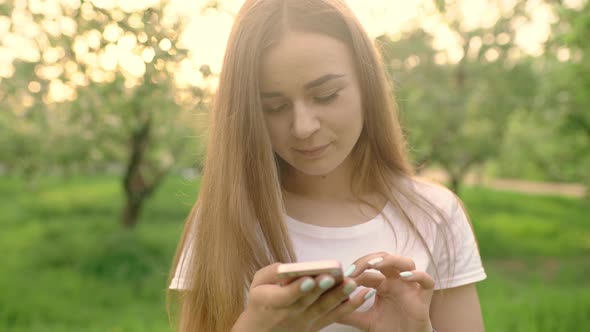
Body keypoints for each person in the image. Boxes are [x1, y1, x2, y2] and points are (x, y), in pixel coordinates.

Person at [167, 0, 487, 331]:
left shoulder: (435, 215)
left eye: (326, 95)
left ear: (368, 85)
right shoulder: (224, 218)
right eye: (274, 107)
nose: (303, 127)